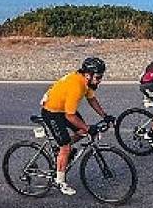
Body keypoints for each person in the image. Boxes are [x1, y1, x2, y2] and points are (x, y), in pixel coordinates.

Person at [39, 57, 116, 196]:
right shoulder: (76, 86)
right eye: (98, 77)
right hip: (52, 112)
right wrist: (88, 128)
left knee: (82, 131)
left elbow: (91, 99)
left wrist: (104, 115)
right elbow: (70, 116)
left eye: (101, 77)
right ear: (88, 75)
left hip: (63, 109)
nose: (99, 80)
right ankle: (60, 181)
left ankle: (60, 150)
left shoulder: (86, 82)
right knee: (67, 146)